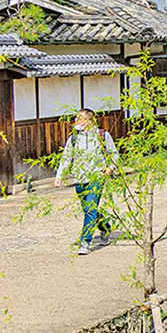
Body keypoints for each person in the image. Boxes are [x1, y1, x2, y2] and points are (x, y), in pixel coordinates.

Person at [54, 109, 119, 256]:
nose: (76, 122)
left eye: (79, 119)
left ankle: (85, 242)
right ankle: (105, 228)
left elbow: (114, 154)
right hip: (79, 178)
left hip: (97, 178)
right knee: (89, 210)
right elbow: (66, 157)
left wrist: (110, 168)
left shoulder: (102, 136)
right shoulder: (74, 138)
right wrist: (60, 175)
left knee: (90, 209)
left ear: (88, 121)